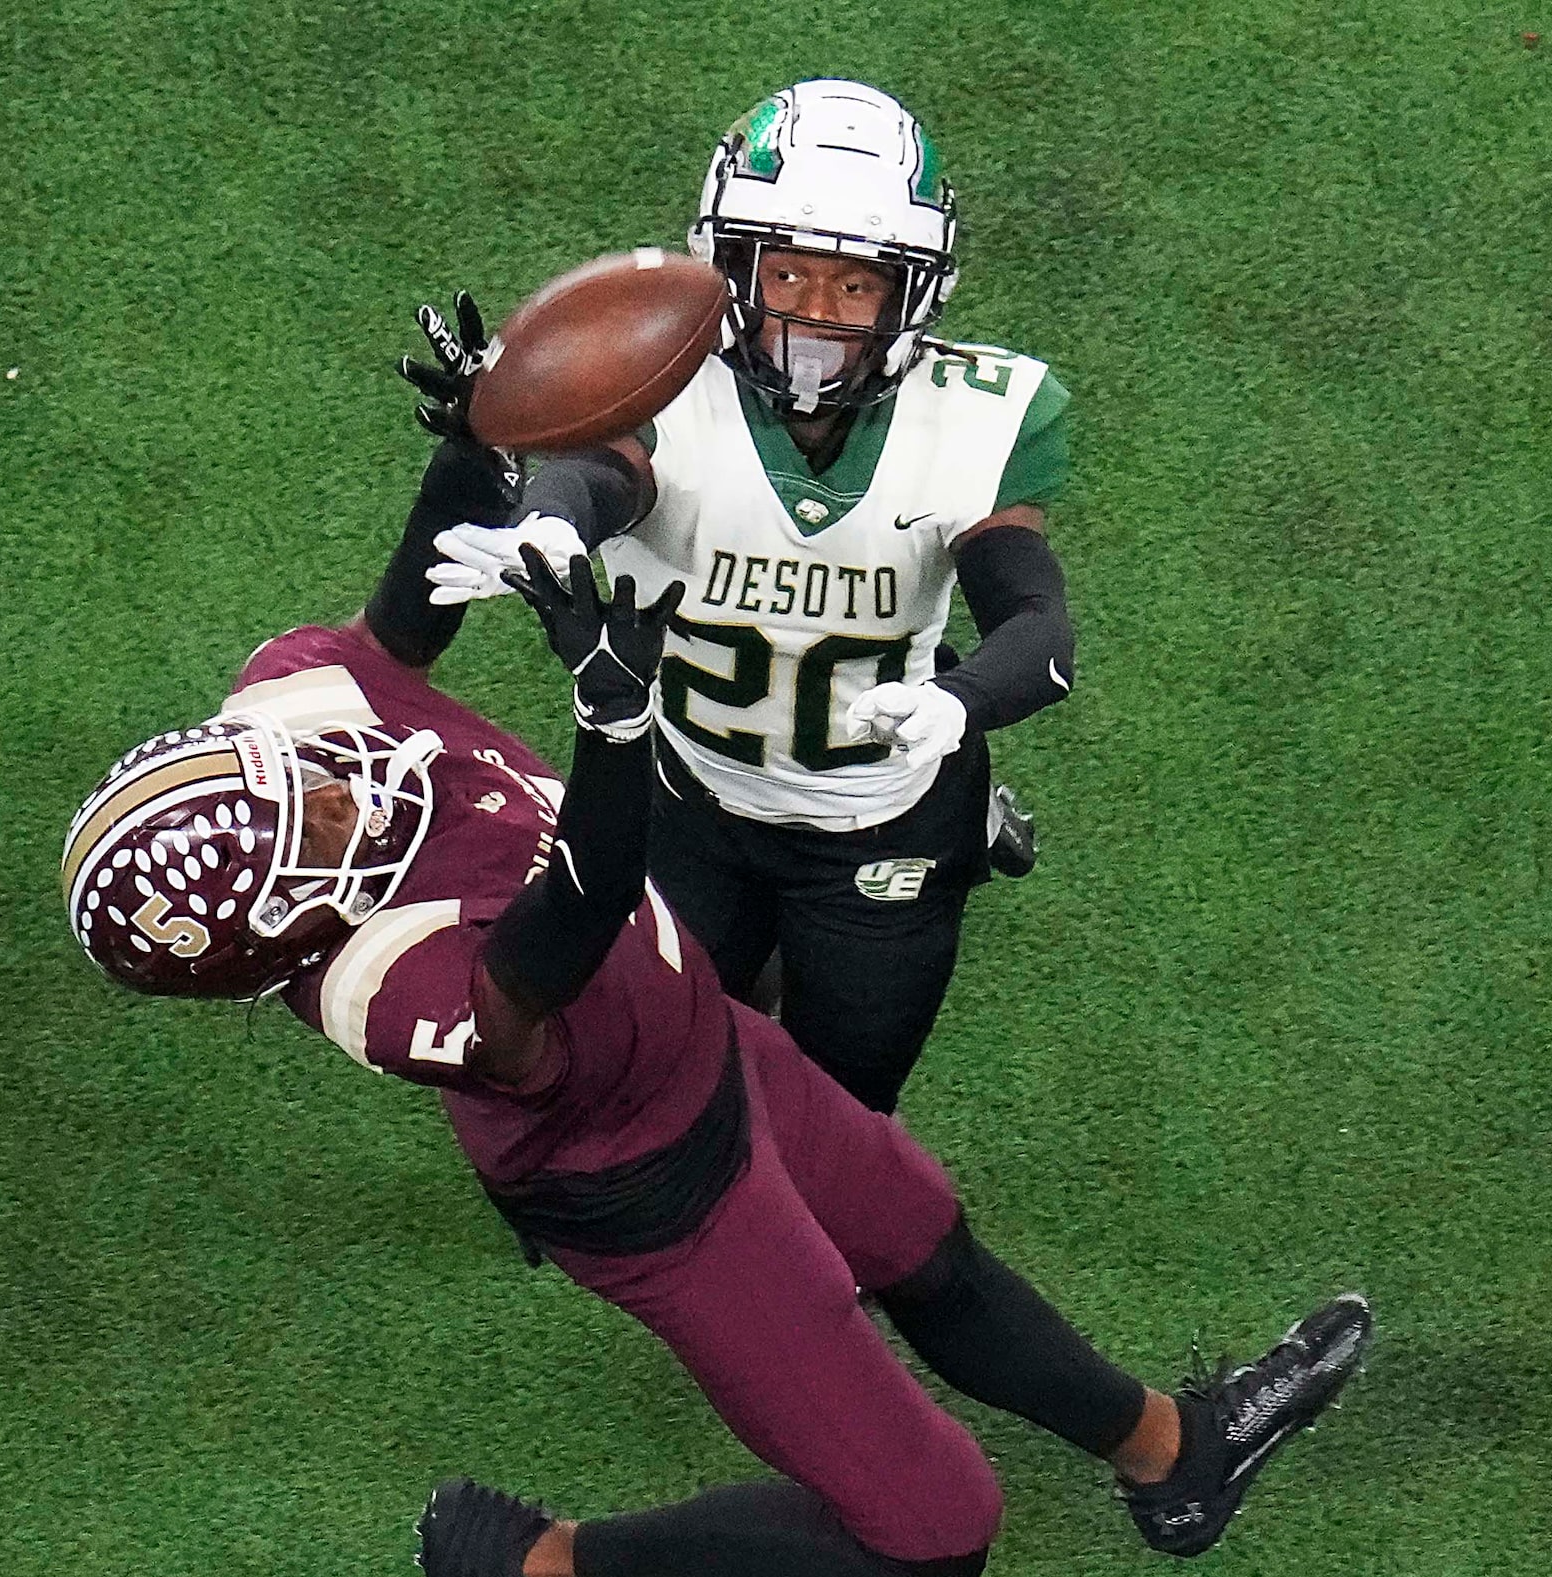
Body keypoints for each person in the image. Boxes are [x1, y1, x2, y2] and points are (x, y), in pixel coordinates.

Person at [59, 419, 1372, 1577]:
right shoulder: (384, 990)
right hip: (655, 1189)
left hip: (707, 1038)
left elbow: (405, 615)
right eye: (306, 829)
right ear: (286, 926)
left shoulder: (294, 715)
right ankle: (524, 1562)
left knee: (924, 1241)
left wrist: (472, 439)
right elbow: (570, 917)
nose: (330, 791)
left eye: (286, 784)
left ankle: (1174, 1457)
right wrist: (613, 717)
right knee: (931, 1530)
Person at [419, 78, 1074, 1113]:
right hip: (692, 793)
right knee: (658, 1064)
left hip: (881, 815)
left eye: (854, 286)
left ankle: (958, 816)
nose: (814, 312)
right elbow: (604, 469)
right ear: (729, 265)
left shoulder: (981, 419)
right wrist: (551, 520)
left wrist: (959, 705)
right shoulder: (667, 380)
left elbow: (1037, 631)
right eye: (789, 272)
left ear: (911, 295)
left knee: (840, 1109)